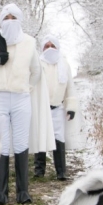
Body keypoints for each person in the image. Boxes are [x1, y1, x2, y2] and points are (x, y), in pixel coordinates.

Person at [0, 4, 50, 205]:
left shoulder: (29, 43)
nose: (10, 21)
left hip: (20, 98)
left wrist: (26, 88)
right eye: (6, 17)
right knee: (3, 143)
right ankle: (1, 193)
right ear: (0, 20)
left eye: (13, 17)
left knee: (21, 143)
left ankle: (23, 192)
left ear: (20, 20)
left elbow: (36, 71)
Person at [34, 34, 79, 181]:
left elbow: (70, 88)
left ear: (57, 47)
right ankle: (39, 170)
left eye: (52, 46)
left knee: (59, 138)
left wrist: (70, 107)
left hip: (58, 107)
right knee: (41, 137)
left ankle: (61, 171)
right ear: (42, 48)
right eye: (47, 46)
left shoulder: (64, 65)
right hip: (41, 107)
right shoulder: (38, 63)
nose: (50, 49)